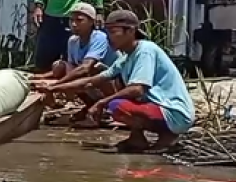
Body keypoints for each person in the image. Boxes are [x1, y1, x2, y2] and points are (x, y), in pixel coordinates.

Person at [38, 10, 194, 152]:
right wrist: (53, 88)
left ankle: (167, 137)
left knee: (117, 106)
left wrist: (102, 102)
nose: (108, 37)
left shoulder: (145, 50)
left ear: (131, 31)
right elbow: (91, 81)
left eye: (113, 32)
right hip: (160, 109)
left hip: (175, 113)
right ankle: (137, 138)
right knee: (118, 100)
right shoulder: (126, 57)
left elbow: (137, 89)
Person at [30, 1, 119, 126]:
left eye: (79, 20)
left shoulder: (99, 38)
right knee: (60, 66)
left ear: (92, 22)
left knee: (95, 70)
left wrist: (57, 85)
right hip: (91, 81)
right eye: (71, 20)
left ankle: (108, 110)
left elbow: (85, 68)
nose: (73, 24)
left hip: (115, 83)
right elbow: (70, 67)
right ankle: (91, 106)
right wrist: (41, 77)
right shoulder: (72, 41)